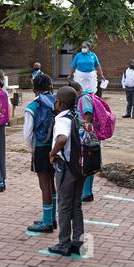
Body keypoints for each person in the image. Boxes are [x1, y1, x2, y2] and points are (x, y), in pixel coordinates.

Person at [48, 86, 85, 257]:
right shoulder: (76, 116)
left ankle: (64, 243)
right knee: (76, 205)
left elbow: (62, 138)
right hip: (80, 167)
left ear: (59, 102)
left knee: (64, 205)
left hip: (66, 168)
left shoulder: (62, 119)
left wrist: (53, 152)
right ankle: (78, 241)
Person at [24, 73, 57, 233]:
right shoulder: (57, 102)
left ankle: (46, 221)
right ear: (51, 87)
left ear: (34, 90)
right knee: (52, 182)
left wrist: (33, 147)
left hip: (41, 147)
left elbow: (27, 134)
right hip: (56, 147)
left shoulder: (33, 106)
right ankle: (53, 217)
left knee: (44, 185)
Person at [67, 80, 96, 203]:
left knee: (87, 164)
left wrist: (83, 132)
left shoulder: (84, 99)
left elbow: (88, 116)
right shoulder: (81, 99)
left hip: (86, 136)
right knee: (85, 163)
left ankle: (87, 193)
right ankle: (86, 192)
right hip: (84, 135)